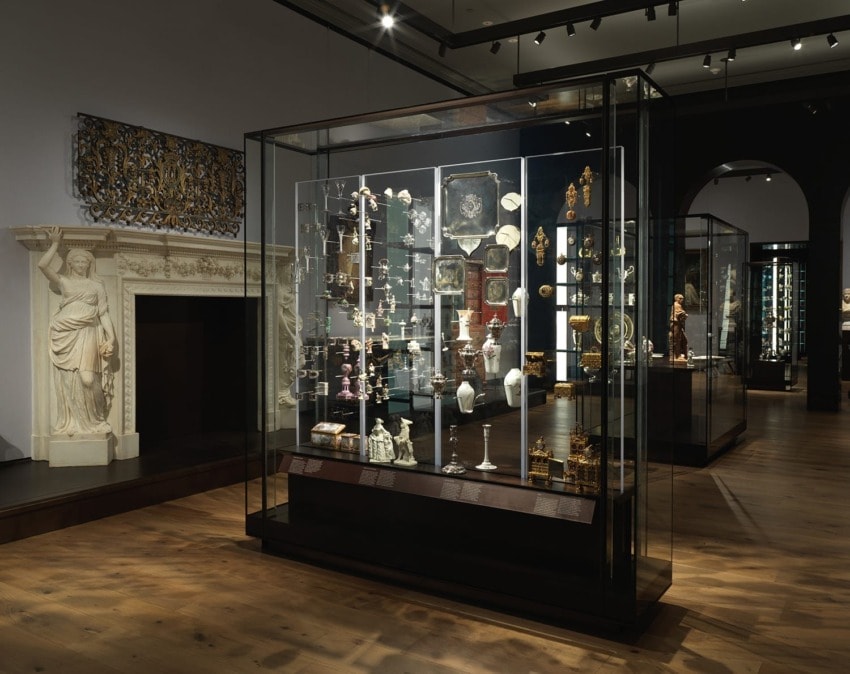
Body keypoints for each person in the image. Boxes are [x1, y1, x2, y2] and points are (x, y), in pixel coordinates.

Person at [38, 226, 116, 435]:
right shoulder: (64, 281)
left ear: (89, 265)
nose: (81, 265)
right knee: (67, 380)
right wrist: (55, 243)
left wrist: (111, 338)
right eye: (78, 261)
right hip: (64, 334)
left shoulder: (96, 286)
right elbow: (42, 265)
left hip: (89, 333)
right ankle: (72, 422)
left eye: (85, 262)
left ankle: (96, 421)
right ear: (70, 263)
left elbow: (103, 314)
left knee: (88, 379)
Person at [669, 293, 689, 361]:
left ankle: (679, 355)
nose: (682, 300)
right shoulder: (676, 305)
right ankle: (677, 356)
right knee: (676, 340)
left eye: (682, 298)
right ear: (676, 299)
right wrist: (684, 314)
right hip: (676, 324)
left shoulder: (678, 305)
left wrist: (684, 314)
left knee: (683, 340)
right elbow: (679, 314)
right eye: (680, 298)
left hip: (679, 324)